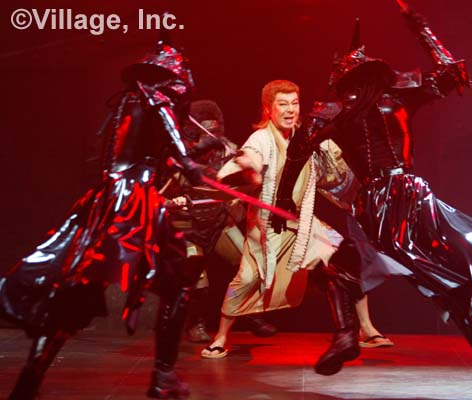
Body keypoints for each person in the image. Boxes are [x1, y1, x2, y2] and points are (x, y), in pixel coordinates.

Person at [272, 2, 472, 400]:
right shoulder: (397, 99)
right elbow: (451, 72)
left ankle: (346, 336)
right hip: (416, 197)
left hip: (379, 203)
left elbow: (296, 155)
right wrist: (421, 29)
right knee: (442, 284)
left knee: (342, 269)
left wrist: (282, 201)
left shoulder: (334, 113)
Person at [0, 35, 205, 400]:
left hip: (107, 200)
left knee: (76, 291)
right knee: (177, 283)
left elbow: (142, 151)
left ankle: (29, 380)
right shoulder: (155, 98)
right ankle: (163, 375)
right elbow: (172, 144)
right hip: (135, 201)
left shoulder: (127, 101)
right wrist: (190, 163)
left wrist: (194, 153)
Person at [202, 80, 391, 358]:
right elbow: (249, 159)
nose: (290, 110)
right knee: (245, 281)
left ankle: (367, 329)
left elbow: (333, 165)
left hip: (303, 225)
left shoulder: (307, 136)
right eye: (283, 104)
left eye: (294, 103)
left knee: (344, 262)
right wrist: (246, 170)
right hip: (268, 228)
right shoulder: (260, 139)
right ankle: (220, 337)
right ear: (268, 109)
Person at [162, 99, 277, 343]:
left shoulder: (229, 152)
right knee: (198, 280)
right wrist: (174, 201)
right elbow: (159, 193)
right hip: (189, 226)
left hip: (219, 220)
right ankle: (195, 323)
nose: (209, 142)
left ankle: (249, 313)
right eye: (204, 135)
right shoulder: (179, 158)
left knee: (247, 265)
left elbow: (246, 179)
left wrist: (245, 180)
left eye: (213, 135)